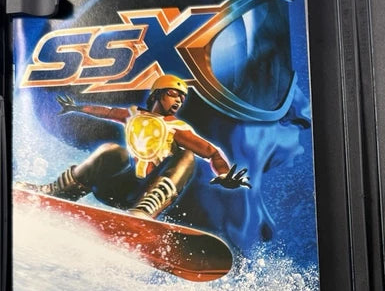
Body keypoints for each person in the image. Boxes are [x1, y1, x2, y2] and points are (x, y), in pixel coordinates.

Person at [27, 74, 250, 219]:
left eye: (182, 98)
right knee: (113, 150)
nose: (178, 101)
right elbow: (107, 112)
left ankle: (143, 213)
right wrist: (78, 108)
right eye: (173, 94)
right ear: (157, 94)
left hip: (144, 194)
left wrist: (223, 174)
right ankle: (58, 191)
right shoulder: (134, 115)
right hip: (114, 188)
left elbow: (212, 152)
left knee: (186, 156)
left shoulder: (177, 128)